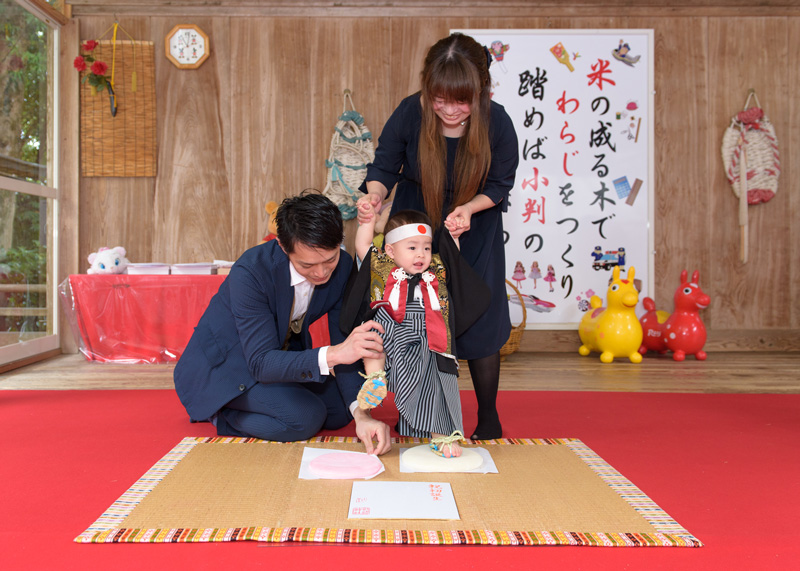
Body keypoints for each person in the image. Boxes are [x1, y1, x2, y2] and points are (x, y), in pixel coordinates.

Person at [358, 32, 519, 440]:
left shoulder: (496, 120)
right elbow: (383, 167)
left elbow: (501, 183)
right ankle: (420, 408)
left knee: (479, 313)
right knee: (416, 315)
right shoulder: (411, 112)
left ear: (481, 90)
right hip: (416, 225)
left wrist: (470, 207)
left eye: (460, 101)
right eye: (439, 99)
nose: (448, 110)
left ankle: (488, 415)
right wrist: (374, 198)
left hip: (473, 226)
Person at [173, 192, 391, 455]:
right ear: (282, 246)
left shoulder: (342, 267)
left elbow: (342, 338)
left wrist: (362, 415)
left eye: (329, 259)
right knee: (304, 417)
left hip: (277, 357)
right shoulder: (251, 272)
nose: (321, 272)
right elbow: (261, 362)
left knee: (339, 411)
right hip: (226, 368)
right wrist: (335, 354)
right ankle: (223, 412)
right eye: (307, 264)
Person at [343, 206, 488, 458]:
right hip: (391, 329)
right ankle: (374, 379)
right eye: (412, 247)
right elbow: (363, 244)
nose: (421, 254)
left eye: (426, 247)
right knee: (371, 335)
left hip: (427, 334)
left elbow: (453, 255)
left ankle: (441, 434)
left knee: (437, 380)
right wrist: (367, 220)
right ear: (390, 250)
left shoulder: (436, 272)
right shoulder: (382, 266)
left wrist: (453, 235)